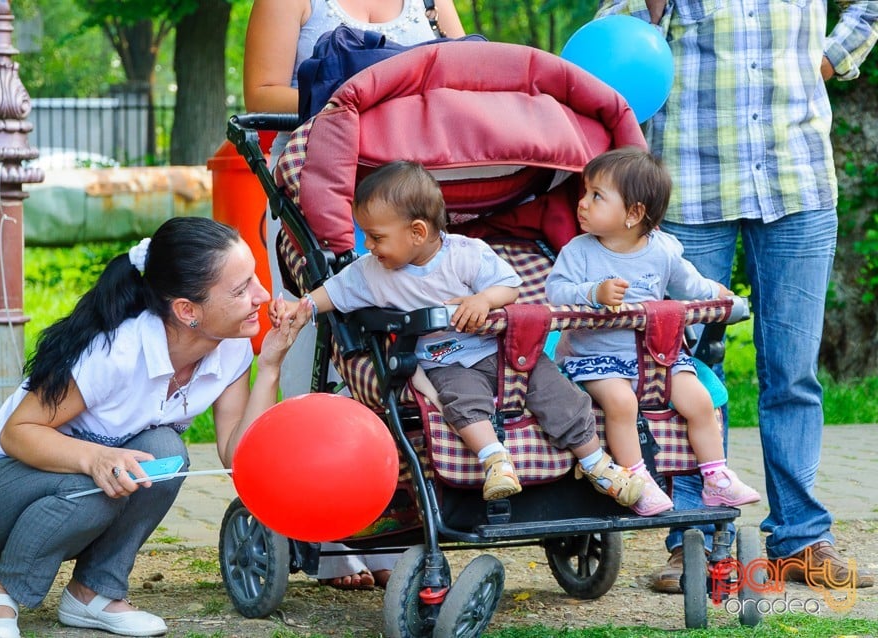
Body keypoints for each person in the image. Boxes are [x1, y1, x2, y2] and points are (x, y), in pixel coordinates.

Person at [596, 0, 877, 590]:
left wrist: (826, 61)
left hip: (796, 174)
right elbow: (610, 31)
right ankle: (695, 539)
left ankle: (800, 539)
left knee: (793, 374)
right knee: (684, 370)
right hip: (690, 181)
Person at [0, 217, 312, 638]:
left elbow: (238, 457)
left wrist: (270, 363)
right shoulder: (117, 352)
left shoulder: (232, 347)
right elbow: (16, 432)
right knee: (100, 482)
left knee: (167, 454)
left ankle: (93, 593)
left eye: (254, 278)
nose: (262, 295)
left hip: (69, 493)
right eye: (241, 290)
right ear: (187, 311)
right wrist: (95, 458)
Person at [243, 0, 467, 590]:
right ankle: (318, 521)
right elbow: (263, 92)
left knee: (407, 350)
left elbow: (469, 76)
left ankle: (395, 514)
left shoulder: (430, 2)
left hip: (416, 197)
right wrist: (367, 89)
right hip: (321, 190)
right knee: (314, 354)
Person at [304, 160, 644, 506]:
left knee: (555, 390)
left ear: (417, 233)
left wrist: (483, 300)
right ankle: (495, 460)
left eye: (376, 237)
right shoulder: (371, 272)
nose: (370, 246)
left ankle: (595, 462)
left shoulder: (466, 254)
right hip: (444, 360)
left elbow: (509, 286)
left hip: (499, 348)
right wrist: (302, 308)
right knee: (461, 402)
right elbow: (332, 292)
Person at [545, 148, 762, 518]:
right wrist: (592, 293)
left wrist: (716, 294)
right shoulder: (578, 252)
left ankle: (716, 477)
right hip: (594, 356)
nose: (582, 203)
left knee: (699, 400)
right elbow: (555, 293)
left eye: (596, 196)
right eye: (585, 193)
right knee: (621, 403)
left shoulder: (662, 250)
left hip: (654, 354)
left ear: (633, 214)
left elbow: (689, 285)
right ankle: (636, 480)